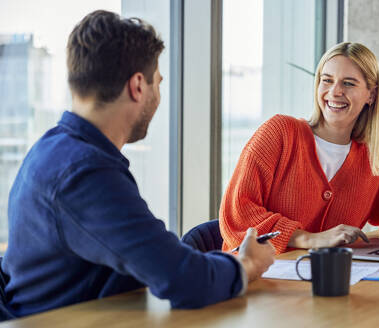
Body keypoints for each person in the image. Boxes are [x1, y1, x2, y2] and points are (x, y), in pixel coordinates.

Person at [0, 10, 275, 318]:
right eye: (158, 83)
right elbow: (183, 279)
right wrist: (248, 264)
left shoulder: (53, 150)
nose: (158, 96)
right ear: (138, 86)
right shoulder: (86, 173)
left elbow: (151, 255)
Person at [219, 42, 379, 254]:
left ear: (371, 95)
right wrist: (308, 239)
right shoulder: (279, 134)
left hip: (325, 288)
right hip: (257, 285)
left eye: (349, 83)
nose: (334, 92)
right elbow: (238, 212)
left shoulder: (374, 160)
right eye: (327, 80)